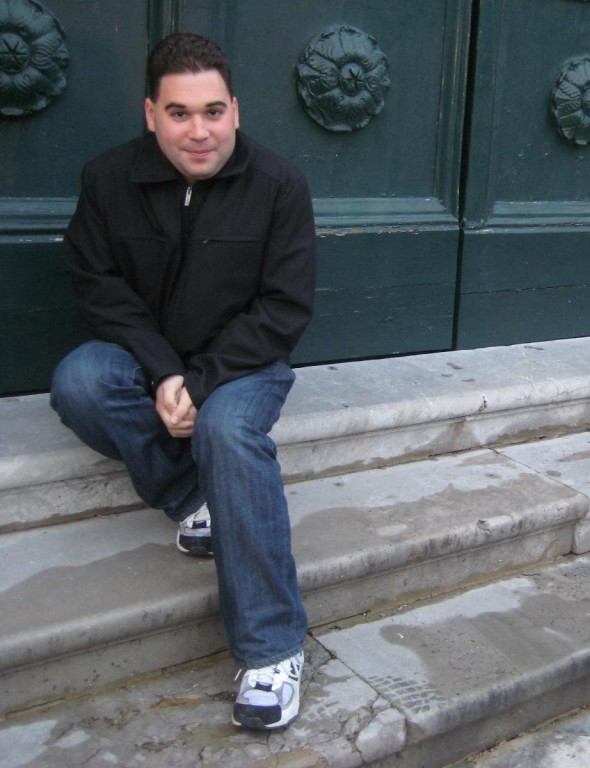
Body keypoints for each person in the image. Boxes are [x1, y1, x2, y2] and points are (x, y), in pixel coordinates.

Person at [49, 32, 316, 731]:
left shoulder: (280, 183)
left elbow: (283, 307)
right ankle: (189, 496)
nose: (199, 131)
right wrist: (165, 371)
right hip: (152, 359)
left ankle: (272, 648)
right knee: (80, 380)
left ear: (236, 109)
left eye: (213, 111)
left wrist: (201, 381)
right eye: (179, 113)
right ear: (149, 114)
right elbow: (96, 284)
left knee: (228, 427)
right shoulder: (108, 179)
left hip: (244, 366)